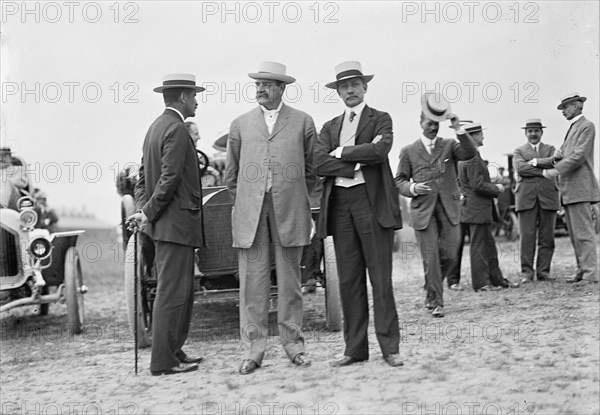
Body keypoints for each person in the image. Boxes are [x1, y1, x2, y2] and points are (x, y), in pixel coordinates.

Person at [225, 61, 316, 375]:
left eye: (267, 84)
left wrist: (301, 201)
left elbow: (313, 171)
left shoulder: (303, 122)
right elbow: (231, 177)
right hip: (252, 215)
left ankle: (295, 348)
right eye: (257, 84)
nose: (260, 89)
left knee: (290, 284)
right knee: (253, 285)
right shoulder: (239, 125)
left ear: (282, 88)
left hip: (290, 212)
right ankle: (253, 351)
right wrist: (248, 203)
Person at [315, 61, 403, 367]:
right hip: (340, 205)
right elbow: (317, 162)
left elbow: (380, 152)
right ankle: (354, 349)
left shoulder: (381, 119)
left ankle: (390, 348)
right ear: (338, 92)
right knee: (349, 281)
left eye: (355, 84)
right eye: (344, 86)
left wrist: (339, 153)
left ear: (365, 87)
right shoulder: (329, 127)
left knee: (381, 280)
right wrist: (355, 162)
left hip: (372, 203)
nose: (350, 90)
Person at [128, 74, 205, 376]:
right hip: (176, 226)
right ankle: (163, 361)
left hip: (167, 226)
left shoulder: (154, 129)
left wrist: (144, 211)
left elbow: (144, 179)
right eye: (194, 96)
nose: (197, 101)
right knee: (173, 293)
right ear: (183, 97)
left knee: (179, 292)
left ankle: (173, 350)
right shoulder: (177, 129)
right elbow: (169, 179)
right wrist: (147, 213)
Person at [396, 94, 476, 317]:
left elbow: (470, 152)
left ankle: (431, 290)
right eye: (429, 123)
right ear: (420, 123)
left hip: (449, 209)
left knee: (450, 255)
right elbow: (399, 180)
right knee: (430, 258)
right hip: (423, 211)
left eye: (436, 124)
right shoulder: (408, 151)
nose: (433, 128)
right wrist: (412, 188)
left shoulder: (450, 145)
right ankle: (438, 303)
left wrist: (458, 128)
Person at [457, 123, 520, 291]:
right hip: (476, 209)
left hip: (478, 209)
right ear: (472, 137)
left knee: (489, 246)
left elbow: (473, 183)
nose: (483, 137)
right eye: (480, 134)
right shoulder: (471, 157)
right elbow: (477, 185)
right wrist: (496, 188)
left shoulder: (470, 156)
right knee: (479, 247)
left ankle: (497, 280)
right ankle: (482, 283)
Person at [544, 93, 600, 283]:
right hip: (570, 189)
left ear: (577, 106)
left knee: (583, 233)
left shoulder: (587, 126)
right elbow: (566, 154)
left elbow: (579, 156)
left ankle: (590, 273)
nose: (563, 111)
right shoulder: (574, 128)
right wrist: (554, 158)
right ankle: (582, 271)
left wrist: (555, 171)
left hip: (579, 188)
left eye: (566, 107)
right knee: (576, 234)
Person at [513, 119, 560, 283]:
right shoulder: (519, 151)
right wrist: (543, 171)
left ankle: (543, 272)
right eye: (530, 131)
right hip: (526, 199)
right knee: (527, 237)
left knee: (547, 237)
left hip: (548, 197)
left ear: (542, 132)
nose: (533, 134)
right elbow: (520, 168)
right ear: (525, 133)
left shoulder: (551, 149)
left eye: (536, 131)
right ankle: (527, 272)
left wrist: (534, 162)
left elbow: (555, 162)